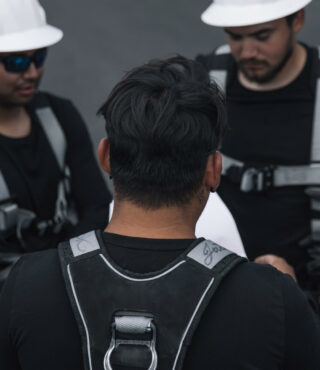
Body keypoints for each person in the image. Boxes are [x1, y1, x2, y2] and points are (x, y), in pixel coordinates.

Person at [1, 55, 319, 370]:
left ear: (106, 156)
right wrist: (290, 300)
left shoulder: (27, 284)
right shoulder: (270, 299)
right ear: (213, 170)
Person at [195, 0, 320, 313]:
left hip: (308, 288)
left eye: (262, 36)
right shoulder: (205, 79)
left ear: (298, 20)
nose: (247, 52)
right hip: (210, 282)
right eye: (235, 36)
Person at [0, 0, 111, 288]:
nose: (32, 72)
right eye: (16, 62)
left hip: (65, 279)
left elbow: (98, 207)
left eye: (39, 58)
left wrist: (56, 269)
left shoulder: (59, 116)